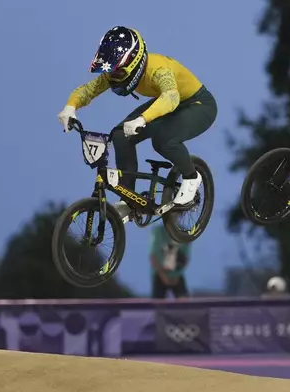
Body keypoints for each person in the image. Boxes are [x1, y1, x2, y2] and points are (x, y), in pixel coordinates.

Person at [57, 26, 218, 221]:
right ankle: (128, 199)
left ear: (135, 62)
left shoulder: (158, 69)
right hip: (168, 103)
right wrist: (70, 107)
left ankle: (192, 178)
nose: (113, 78)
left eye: (117, 73)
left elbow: (171, 97)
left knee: (163, 140)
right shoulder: (116, 72)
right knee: (120, 135)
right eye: (111, 73)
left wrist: (143, 119)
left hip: (198, 104)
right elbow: (88, 90)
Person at [150, 224, 191, 299]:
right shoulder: (159, 232)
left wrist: (177, 275)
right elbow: (153, 257)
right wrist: (162, 275)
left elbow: (186, 258)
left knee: (184, 301)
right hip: (160, 273)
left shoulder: (184, 233)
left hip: (177, 273)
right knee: (158, 303)